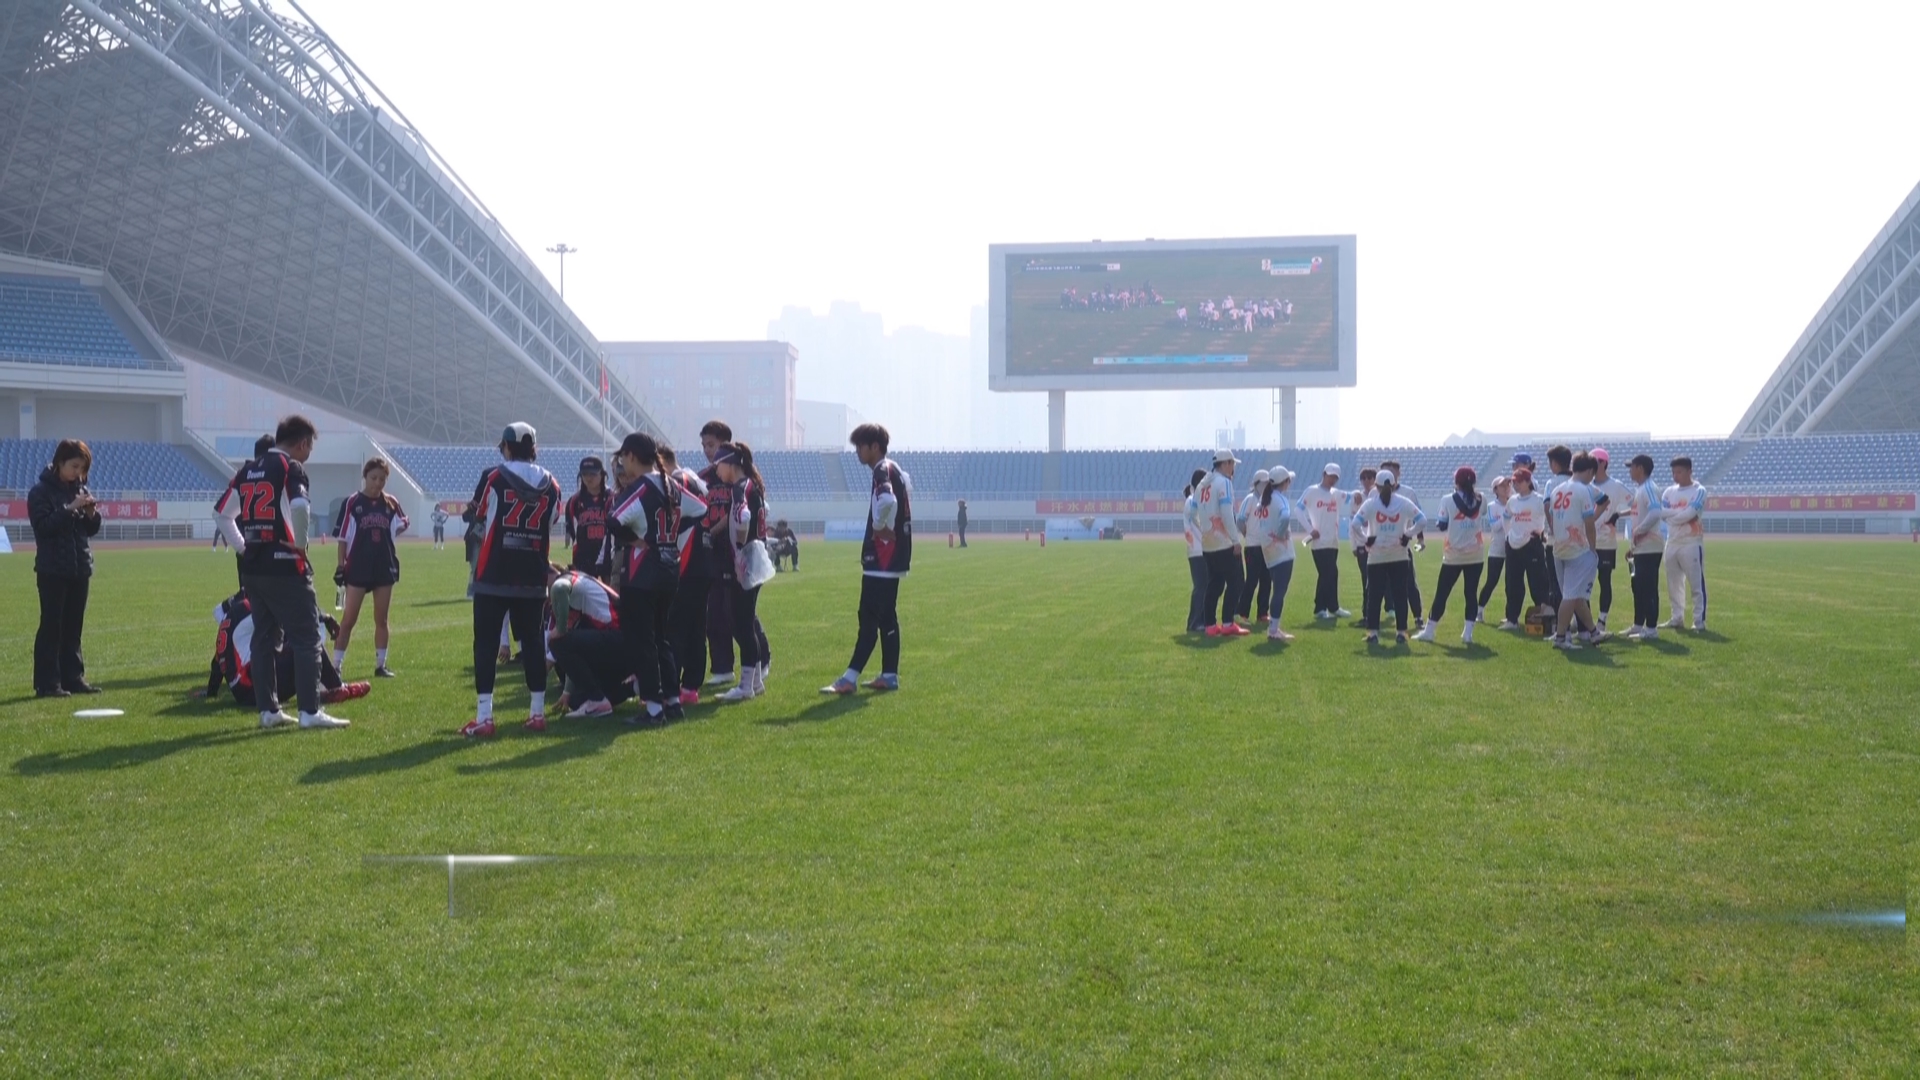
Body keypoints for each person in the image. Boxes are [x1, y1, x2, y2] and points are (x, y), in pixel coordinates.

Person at [213, 415, 349, 729]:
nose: (309, 453)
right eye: (310, 447)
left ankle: (269, 710)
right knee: (306, 637)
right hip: (285, 566)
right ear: (302, 443)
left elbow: (221, 514)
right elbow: (300, 506)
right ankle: (309, 711)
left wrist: (243, 547)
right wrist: (300, 544)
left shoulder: (247, 470)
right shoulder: (291, 467)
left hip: (253, 568)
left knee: (264, 638)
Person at [459, 422, 563, 737]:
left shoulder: (495, 477)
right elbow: (552, 520)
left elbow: (480, 514)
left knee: (486, 643)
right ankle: (536, 713)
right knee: (532, 642)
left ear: (506, 446)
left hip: (495, 570)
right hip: (532, 572)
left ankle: (485, 717)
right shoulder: (552, 484)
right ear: (534, 448)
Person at [610, 432, 708, 723]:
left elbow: (613, 519)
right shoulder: (672, 485)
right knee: (662, 639)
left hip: (642, 574)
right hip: (670, 570)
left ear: (631, 456)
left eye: (624, 458)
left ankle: (653, 708)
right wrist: (671, 534)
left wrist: (636, 539)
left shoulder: (641, 487)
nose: (623, 464)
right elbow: (701, 508)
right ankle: (673, 702)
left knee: (643, 643)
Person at [821, 423, 913, 694]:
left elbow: (888, 500)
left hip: (882, 558)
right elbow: (906, 490)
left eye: (860, 446)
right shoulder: (896, 469)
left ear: (874, 446)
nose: (857, 452)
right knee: (887, 617)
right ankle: (889, 675)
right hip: (894, 557)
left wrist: (879, 526)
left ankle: (849, 678)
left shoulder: (881, 469)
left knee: (869, 616)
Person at [205, 589, 367, 708]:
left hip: (242, 692)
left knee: (285, 640)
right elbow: (294, 615)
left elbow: (218, 661)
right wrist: (325, 618)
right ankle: (336, 688)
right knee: (309, 645)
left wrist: (211, 692)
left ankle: (323, 691)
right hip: (254, 690)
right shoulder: (252, 608)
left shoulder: (232, 617)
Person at [29, 439, 101, 697]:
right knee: (52, 626)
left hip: (79, 567)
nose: (78, 473)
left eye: (82, 468)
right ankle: (47, 683)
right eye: (74, 466)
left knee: (73, 627)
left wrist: (91, 513)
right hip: (52, 569)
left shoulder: (79, 489)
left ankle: (73, 678)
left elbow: (89, 530)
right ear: (60, 463)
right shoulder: (40, 492)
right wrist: (70, 509)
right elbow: (43, 527)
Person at [331, 458, 408, 678]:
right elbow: (343, 538)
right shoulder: (353, 502)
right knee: (349, 619)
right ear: (365, 477)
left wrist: (387, 537)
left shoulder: (391, 503)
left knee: (381, 619)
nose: (378, 483)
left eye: (382, 479)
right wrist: (340, 565)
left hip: (384, 566)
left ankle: (380, 665)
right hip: (358, 567)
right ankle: (335, 666)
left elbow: (402, 523)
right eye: (374, 478)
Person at [713, 442, 772, 702]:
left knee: (741, 625)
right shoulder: (751, 485)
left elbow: (743, 516)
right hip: (755, 558)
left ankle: (746, 685)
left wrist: (739, 548)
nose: (717, 471)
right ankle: (755, 682)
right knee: (745, 621)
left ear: (730, 463)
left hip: (746, 561)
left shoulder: (740, 488)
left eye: (719, 465)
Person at [658, 445, 713, 705]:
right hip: (704, 562)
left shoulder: (677, 481)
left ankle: (671, 686)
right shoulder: (696, 479)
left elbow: (675, 523)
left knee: (675, 627)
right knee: (695, 627)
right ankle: (691, 685)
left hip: (687, 561)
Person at [1349, 469, 1425, 645]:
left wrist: (1366, 539)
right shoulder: (1404, 502)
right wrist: (1408, 534)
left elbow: (1355, 524)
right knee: (1400, 594)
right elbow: (1421, 520)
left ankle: (1373, 633)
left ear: (1375, 485)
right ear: (1394, 484)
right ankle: (1401, 632)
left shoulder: (1370, 504)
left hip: (1376, 556)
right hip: (1399, 555)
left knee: (1374, 595)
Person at [543, 562, 628, 719]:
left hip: (619, 638)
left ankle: (597, 700)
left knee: (557, 642)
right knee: (576, 700)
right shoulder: (579, 583)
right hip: (623, 644)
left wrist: (560, 628)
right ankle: (633, 686)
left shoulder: (561, 584)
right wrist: (567, 692)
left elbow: (559, 588)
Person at [1418, 466, 1489, 644]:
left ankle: (1429, 630)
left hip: (1453, 555)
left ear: (1456, 482)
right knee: (1471, 593)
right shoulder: (1482, 499)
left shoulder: (1448, 499)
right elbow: (1482, 513)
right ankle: (1468, 633)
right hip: (1476, 554)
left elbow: (1442, 525)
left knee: (1442, 593)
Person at [1547, 452, 1606, 649]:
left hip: (1558, 548)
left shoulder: (1557, 490)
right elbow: (1589, 523)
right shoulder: (1583, 490)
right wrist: (1593, 549)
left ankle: (1594, 633)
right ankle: (1560, 638)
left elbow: (1552, 518)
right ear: (1589, 471)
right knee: (1570, 596)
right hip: (1577, 549)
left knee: (1576, 595)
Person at [1242, 467, 1303, 642]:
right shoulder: (1280, 499)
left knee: (1275, 590)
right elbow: (1285, 517)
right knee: (1279, 592)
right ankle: (1274, 630)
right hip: (1282, 551)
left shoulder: (1264, 499)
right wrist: (1281, 534)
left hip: (1268, 551)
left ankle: (1273, 627)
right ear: (1285, 482)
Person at [1196, 449, 1246, 636]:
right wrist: (1235, 540)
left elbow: (1194, 511)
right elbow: (1226, 513)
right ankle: (1227, 622)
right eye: (1232, 464)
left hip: (1208, 543)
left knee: (1214, 584)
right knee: (1236, 582)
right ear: (1225, 464)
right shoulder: (1224, 483)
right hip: (1224, 542)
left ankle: (1210, 624)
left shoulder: (1202, 485)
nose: (1233, 469)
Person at [1661, 456, 1709, 631]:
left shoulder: (1699, 490)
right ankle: (1677, 617)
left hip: (1691, 542)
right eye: (1673, 472)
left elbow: (1691, 513)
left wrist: (1674, 516)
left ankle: (1699, 621)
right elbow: (1662, 512)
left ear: (1689, 471)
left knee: (1696, 584)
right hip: (1672, 542)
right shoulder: (1668, 492)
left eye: (1679, 472)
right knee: (1674, 584)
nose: (1675, 476)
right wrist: (1681, 514)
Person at [1499, 467, 1551, 630]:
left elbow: (1550, 516)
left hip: (1532, 544)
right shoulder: (1512, 501)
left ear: (1528, 482)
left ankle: (1544, 618)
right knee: (1512, 583)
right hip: (1513, 546)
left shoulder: (1539, 500)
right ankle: (1512, 619)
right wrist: (1508, 535)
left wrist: (1544, 532)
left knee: (1538, 582)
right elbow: (1506, 517)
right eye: (1514, 482)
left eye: (1519, 482)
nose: (1515, 485)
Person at [1378, 459, 1426, 628]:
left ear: (1398, 474)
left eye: (1391, 471)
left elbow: (1418, 517)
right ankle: (1372, 621)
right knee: (1376, 585)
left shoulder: (1408, 493)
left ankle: (1417, 616)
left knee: (1409, 583)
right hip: (1379, 548)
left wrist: (1418, 538)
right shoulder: (1373, 495)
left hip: (1401, 546)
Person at [1589, 448, 1633, 632]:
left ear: (1603, 463)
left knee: (1604, 580)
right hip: (1585, 541)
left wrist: (1618, 514)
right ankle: (1582, 620)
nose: (1591, 465)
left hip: (1606, 542)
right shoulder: (1585, 485)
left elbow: (1636, 505)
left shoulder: (1616, 486)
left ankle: (1602, 620)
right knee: (1582, 582)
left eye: (1594, 461)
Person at [1623, 454, 1667, 640]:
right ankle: (1638, 625)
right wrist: (1633, 545)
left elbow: (1655, 512)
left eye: (1632, 467)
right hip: (1642, 548)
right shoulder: (1641, 489)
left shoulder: (1648, 488)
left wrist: (1639, 531)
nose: (1630, 471)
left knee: (1648, 588)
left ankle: (1651, 629)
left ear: (1640, 468)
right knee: (1638, 587)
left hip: (1650, 547)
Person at [1300, 463, 1351, 620]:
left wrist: (1359, 494)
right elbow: (1298, 509)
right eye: (1330, 476)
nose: (1332, 480)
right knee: (1327, 574)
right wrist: (1310, 529)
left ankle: (1327, 607)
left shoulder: (1336, 493)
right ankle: (1325, 608)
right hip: (1320, 542)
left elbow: (1352, 496)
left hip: (1333, 541)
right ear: (1324, 474)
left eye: (1335, 477)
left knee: (1330, 574)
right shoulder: (1312, 491)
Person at [564, 456, 615, 582]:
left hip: (608, 555)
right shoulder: (574, 501)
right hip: (583, 558)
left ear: (602, 474)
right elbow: (572, 528)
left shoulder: (613, 498)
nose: (588, 478)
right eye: (585, 474)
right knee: (584, 592)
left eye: (593, 474)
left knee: (611, 591)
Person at [1234, 470, 1273, 625]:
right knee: (1251, 581)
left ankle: (1262, 613)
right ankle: (1242, 613)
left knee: (1266, 580)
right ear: (1256, 484)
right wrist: (1247, 535)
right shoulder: (1250, 499)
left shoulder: (1268, 501)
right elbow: (1240, 521)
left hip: (1266, 546)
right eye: (1263, 483)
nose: (1266, 486)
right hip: (1253, 547)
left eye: (1268, 483)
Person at [1476, 475, 1512, 616]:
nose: (1506, 488)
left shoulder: (1514, 502)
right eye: (1502, 486)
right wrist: (1507, 513)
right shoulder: (1492, 506)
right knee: (1492, 581)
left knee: (1511, 583)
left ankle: (1510, 615)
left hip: (1513, 547)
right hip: (1497, 548)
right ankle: (1479, 610)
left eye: (1507, 485)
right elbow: (1495, 527)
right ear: (1495, 490)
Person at [1181, 468, 1210, 633]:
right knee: (1201, 586)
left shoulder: (1196, 500)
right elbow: (1199, 523)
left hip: (1202, 549)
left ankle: (1203, 620)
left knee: (1205, 587)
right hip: (1198, 550)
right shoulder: (1193, 501)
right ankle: (1194, 622)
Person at [1348, 467, 1378, 619]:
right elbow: (1352, 523)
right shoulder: (1356, 498)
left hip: (1377, 544)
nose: (1366, 481)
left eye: (1369, 478)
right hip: (1362, 545)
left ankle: (1385, 609)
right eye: (1363, 478)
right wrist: (1354, 545)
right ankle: (1366, 613)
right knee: (1365, 579)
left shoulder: (1379, 497)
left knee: (1380, 579)